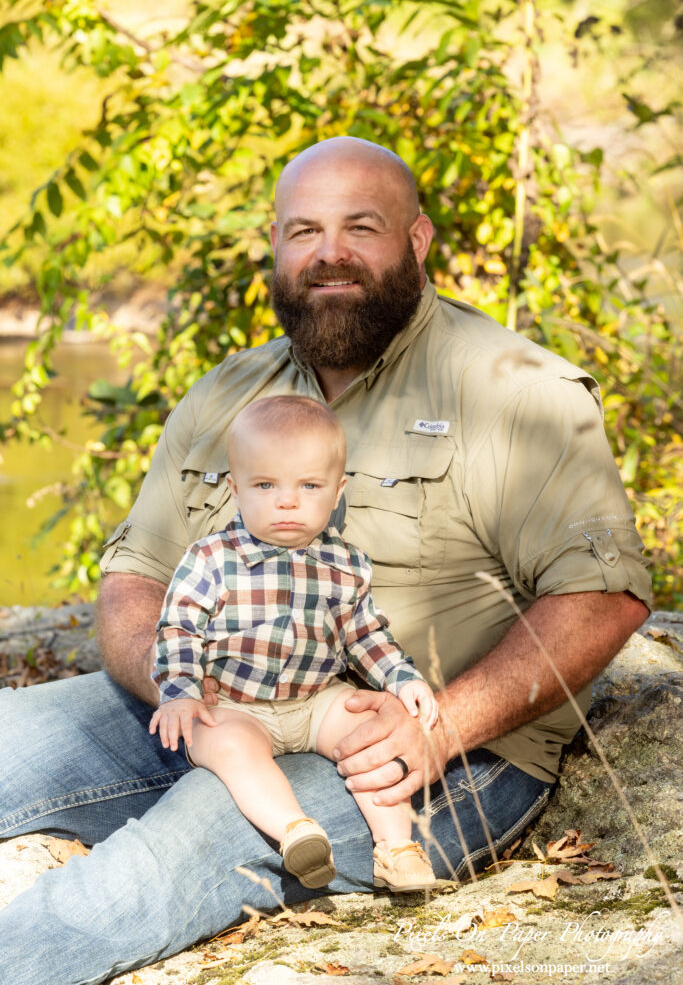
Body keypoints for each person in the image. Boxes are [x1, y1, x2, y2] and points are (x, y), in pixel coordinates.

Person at [0, 136, 650, 985]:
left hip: (417, 754)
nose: (329, 253)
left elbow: (601, 596)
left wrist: (439, 727)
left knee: (167, 856)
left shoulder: (516, 393)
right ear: (275, 245)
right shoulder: (228, 397)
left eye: (361, 227)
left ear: (415, 242)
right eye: (304, 230)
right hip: (218, 707)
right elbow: (136, 578)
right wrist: (184, 699)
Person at [149, 394, 439, 892]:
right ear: (236, 489)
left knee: (373, 731)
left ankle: (398, 849)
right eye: (266, 485)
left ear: (337, 491)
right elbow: (179, 630)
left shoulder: (346, 563)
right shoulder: (212, 558)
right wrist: (181, 691)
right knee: (223, 742)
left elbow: (365, 634)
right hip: (239, 705)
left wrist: (402, 676)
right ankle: (296, 832)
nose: (287, 501)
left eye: (309, 485)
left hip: (314, 701)